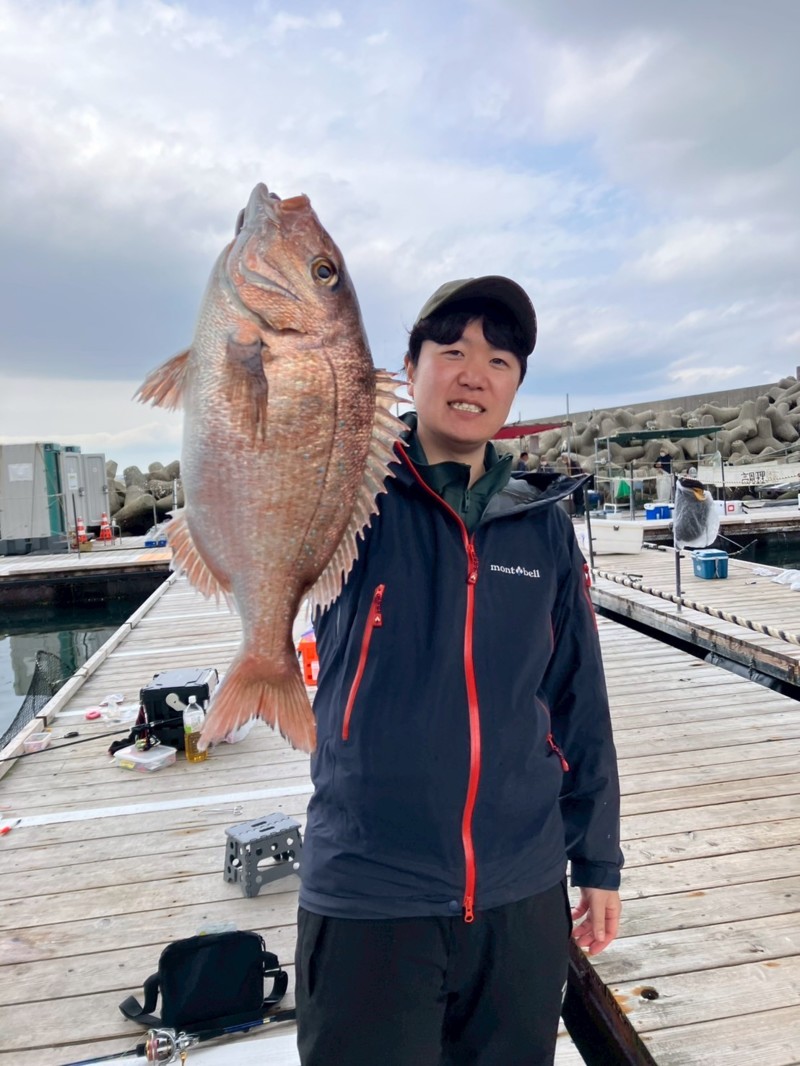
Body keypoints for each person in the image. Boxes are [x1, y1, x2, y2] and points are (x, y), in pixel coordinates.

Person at [295, 276, 623, 1066]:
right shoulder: (347, 494)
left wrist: (598, 860)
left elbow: (578, 699)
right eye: (452, 351)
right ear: (408, 370)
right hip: (372, 890)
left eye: (500, 360)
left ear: (514, 387)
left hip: (521, 892)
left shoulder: (542, 527)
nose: (475, 373)